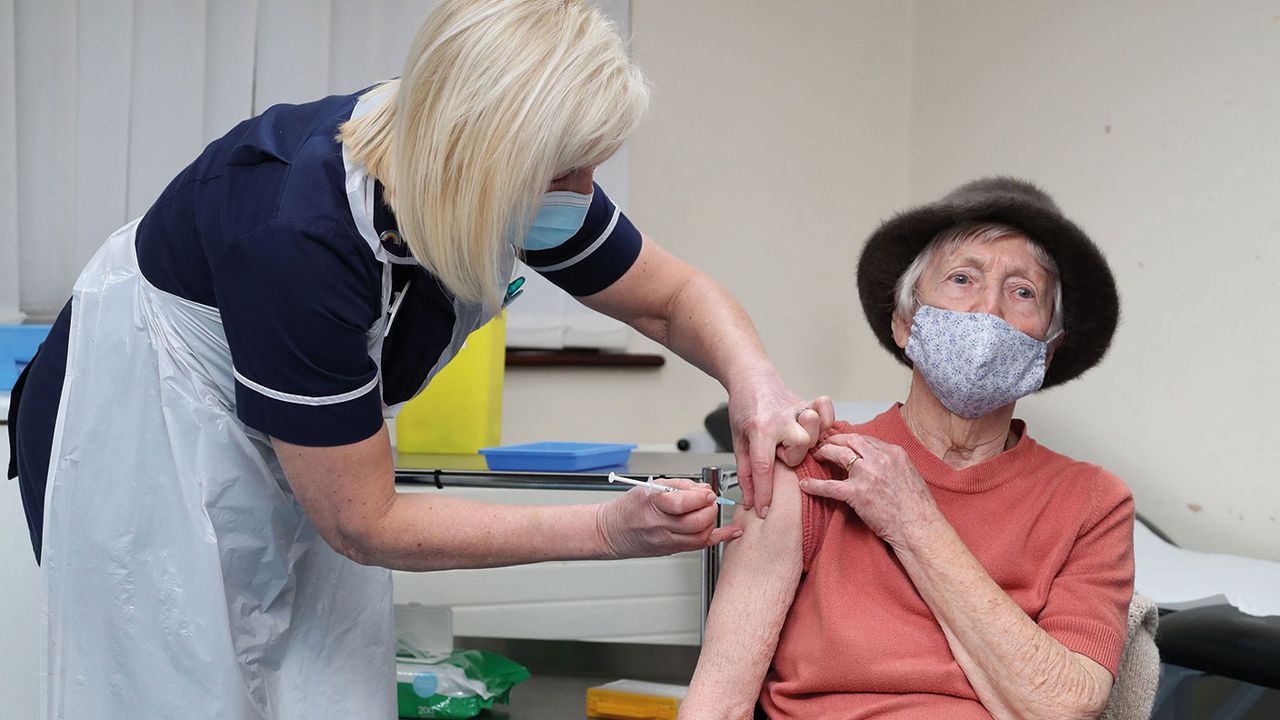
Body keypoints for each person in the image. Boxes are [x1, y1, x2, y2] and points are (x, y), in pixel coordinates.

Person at [5, 1, 831, 717]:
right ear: (482, 162)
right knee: (176, 687)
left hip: (307, 449)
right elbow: (365, 522)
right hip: (152, 430)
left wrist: (753, 382)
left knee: (325, 684)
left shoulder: (507, 180)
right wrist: (607, 530)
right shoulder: (296, 233)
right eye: (565, 170)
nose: (583, 193)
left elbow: (669, 297)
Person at [681, 178, 1132, 719]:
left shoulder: (1093, 502)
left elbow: (1065, 707)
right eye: (962, 279)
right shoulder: (812, 468)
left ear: (1047, 352)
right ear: (905, 322)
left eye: (1022, 292)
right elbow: (717, 702)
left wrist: (915, 521)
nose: (989, 312)